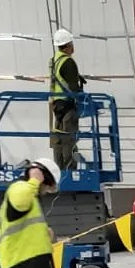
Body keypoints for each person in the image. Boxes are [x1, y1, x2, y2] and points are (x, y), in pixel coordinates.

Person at [49, 28, 86, 169]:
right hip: (68, 105)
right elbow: (72, 87)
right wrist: (81, 94)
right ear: (69, 45)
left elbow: (58, 80)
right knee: (69, 139)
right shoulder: (68, 62)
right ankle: (70, 171)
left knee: (58, 138)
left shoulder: (54, 60)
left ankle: (58, 169)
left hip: (56, 104)